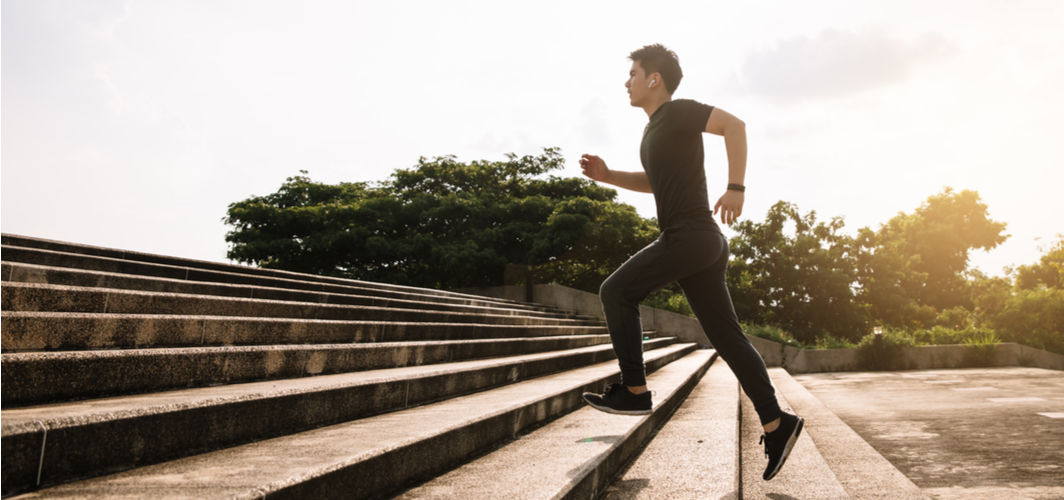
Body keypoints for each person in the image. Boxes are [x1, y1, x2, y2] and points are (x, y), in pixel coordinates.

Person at [579, 43, 804, 481]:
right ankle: (777, 423)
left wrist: (736, 187)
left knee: (615, 291)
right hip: (701, 242)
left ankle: (634, 389)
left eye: (633, 74)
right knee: (728, 338)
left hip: (689, 236)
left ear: (654, 79)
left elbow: (734, 125)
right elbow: (656, 182)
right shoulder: (654, 130)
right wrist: (609, 177)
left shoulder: (678, 112)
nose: (626, 82)